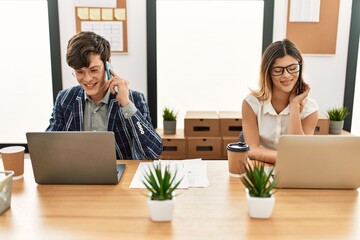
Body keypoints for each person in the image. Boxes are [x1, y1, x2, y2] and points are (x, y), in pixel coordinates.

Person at [46, 31, 163, 160]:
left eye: (94, 70)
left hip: (122, 176)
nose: (87, 79)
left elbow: (153, 151)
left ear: (108, 64)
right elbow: (49, 146)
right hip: (78, 176)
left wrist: (126, 103)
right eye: (80, 72)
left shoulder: (133, 98)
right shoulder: (65, 99)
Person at [242, 39, 319, 164]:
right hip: (261, 171)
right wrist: (287, 158)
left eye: (293, 68)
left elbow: (300, 150)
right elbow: (252, 149)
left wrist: (294, 105)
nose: (287, 75)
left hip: (294, 172)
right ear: (268, 72)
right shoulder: (251, 103)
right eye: (278, 70)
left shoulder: (310, 109)